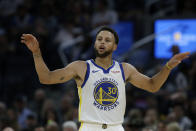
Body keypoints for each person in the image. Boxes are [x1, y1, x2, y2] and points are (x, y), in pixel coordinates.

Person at [21, 26, 190, 131]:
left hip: (116, 127)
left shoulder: (124, 69)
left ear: (115, 46)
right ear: (95, 44)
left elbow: (152, 86)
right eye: (99, 39)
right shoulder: (81, 66)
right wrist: (36, 54)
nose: (102, 42)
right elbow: (47, 78)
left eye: (107, 40)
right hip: (89, 127)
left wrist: (167, 67)